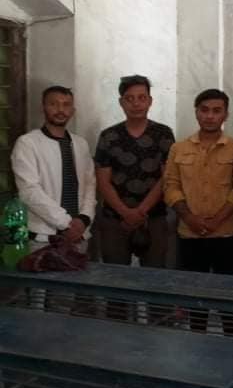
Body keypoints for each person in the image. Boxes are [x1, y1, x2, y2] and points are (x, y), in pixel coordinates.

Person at [163, 89, 233, 334]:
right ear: (196, 113)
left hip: (227, 234)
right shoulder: (178, 148)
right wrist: (189, 217)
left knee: (229, 297)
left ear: (226, 114)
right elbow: (170, 186)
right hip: (190, 233)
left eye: (216, 111)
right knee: (195, 296)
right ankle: (198, 344)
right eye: (204, 110)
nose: (210, 116)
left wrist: (217, 220)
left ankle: (231, 344)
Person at [95, 75, 174, 268]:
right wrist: (125, 213)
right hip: (115, 219)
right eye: (130, 98)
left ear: (150, 101)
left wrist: (140, 212)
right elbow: (103, 182)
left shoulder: (163, 134)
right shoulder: (108, 136)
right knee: (115, 276)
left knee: (154, 277)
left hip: (153, 217)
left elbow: (166, 177)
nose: (136, 104)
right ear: (121, 102)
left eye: (141, 98)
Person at [11, 86, 96, 254]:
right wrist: (66, 223)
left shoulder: (81, 144)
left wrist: (84, 219)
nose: (60, 110)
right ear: (43, 107)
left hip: (80, 236)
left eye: (66, 104)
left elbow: (90, 185)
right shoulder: (27, 143)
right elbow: (29, 191)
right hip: (43, 238)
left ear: (72, 110)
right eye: (54, 104)